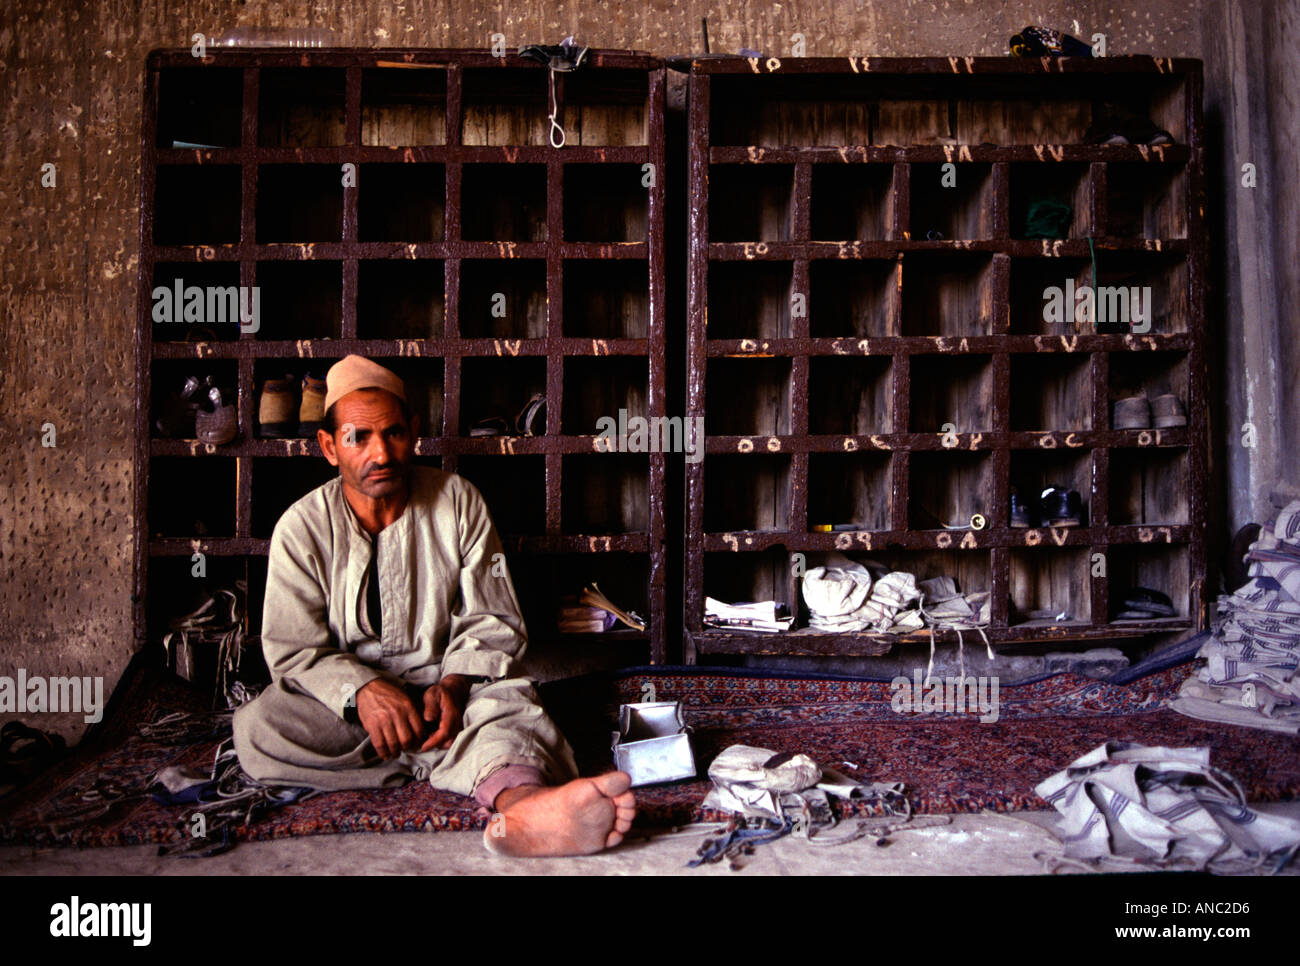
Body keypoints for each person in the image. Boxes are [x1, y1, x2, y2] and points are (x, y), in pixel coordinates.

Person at [232, 354, 636, 856]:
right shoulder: (301, 527)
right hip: (354, 714)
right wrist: (362, 691)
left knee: (509, 704)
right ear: (329, 447)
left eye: (394, 434)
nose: (380, 453)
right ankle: (451, 762)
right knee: (259, 727)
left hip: (450, 700)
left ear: (415, 433)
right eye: (359, 438)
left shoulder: (458, 500)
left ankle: (524, 806)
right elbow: (293, 650)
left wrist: (454, 681)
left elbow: (494, 616)